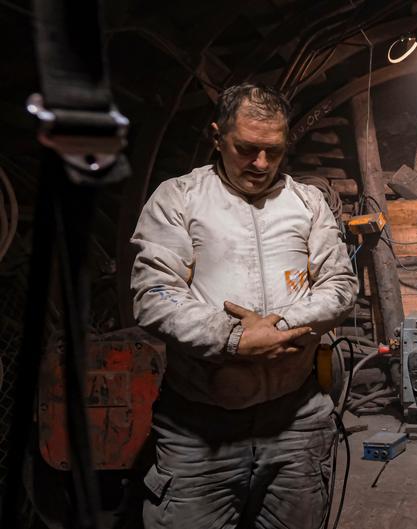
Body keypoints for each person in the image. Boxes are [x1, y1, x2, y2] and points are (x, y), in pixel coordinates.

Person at [130, 83, 358, 529]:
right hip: (199, 431)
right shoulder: (179, 198)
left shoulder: (307, 203)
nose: (261, 164)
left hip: (297, 421)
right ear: (217, 136)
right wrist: (233, 338)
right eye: (246, 149)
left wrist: (281, 327)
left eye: (273, 151)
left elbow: (340, 284)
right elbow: (153, 296)